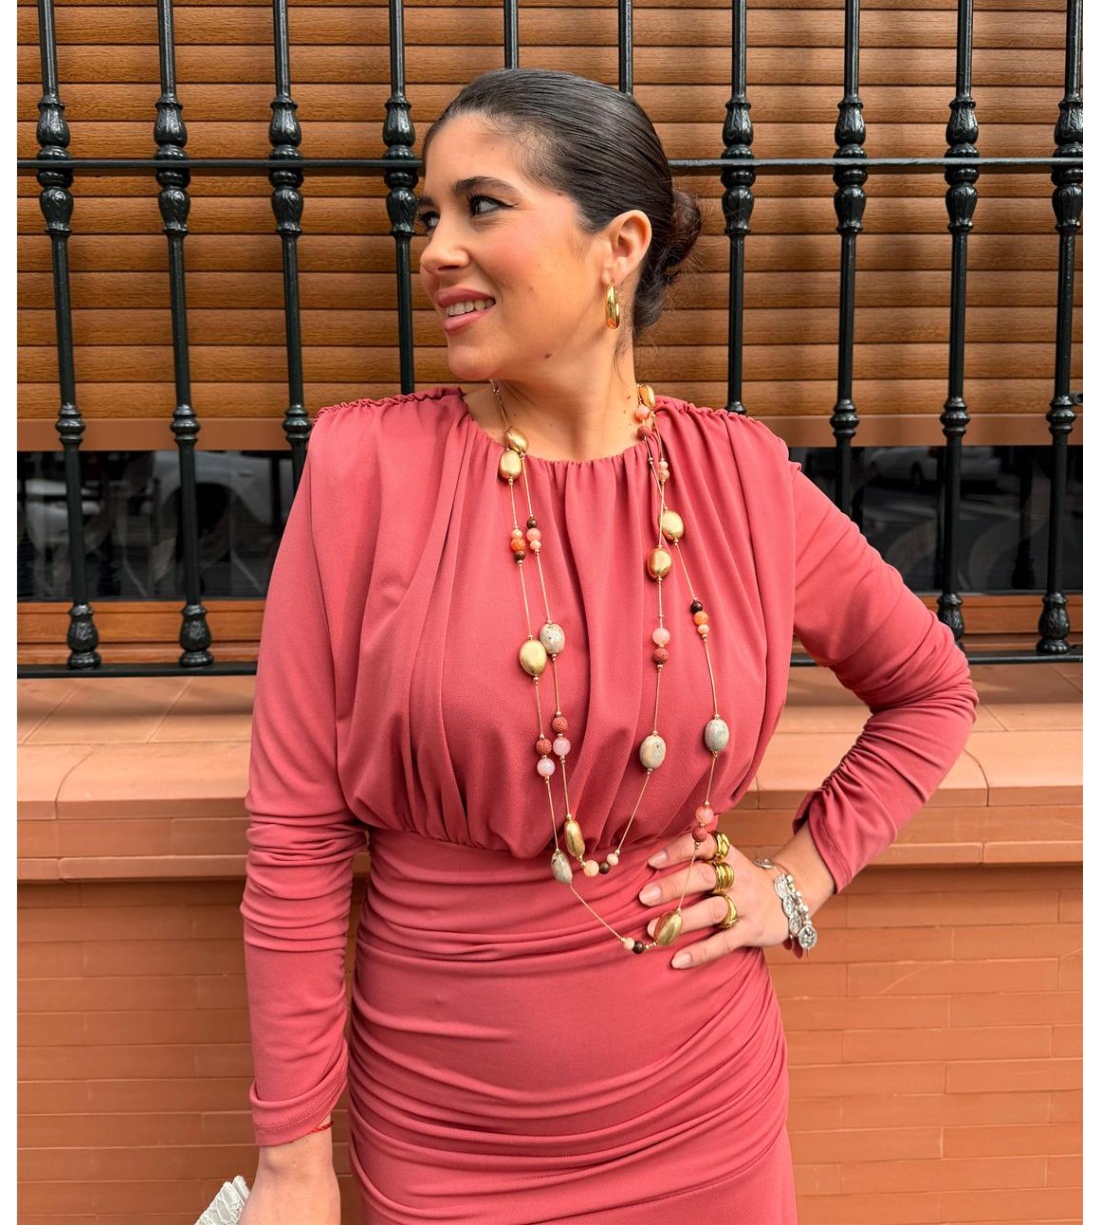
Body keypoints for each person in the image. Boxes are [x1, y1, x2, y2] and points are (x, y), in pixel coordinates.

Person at [238, 68, 978, 1225]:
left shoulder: (738, 479)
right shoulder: (363, 472)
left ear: (618, 247)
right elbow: (294, 839)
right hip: (444, 1135)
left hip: (705, 1116)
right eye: (427, 214)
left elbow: (929, 692)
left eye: (480, 206)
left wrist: (795, 882)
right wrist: (291, 1162)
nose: (434, 251)